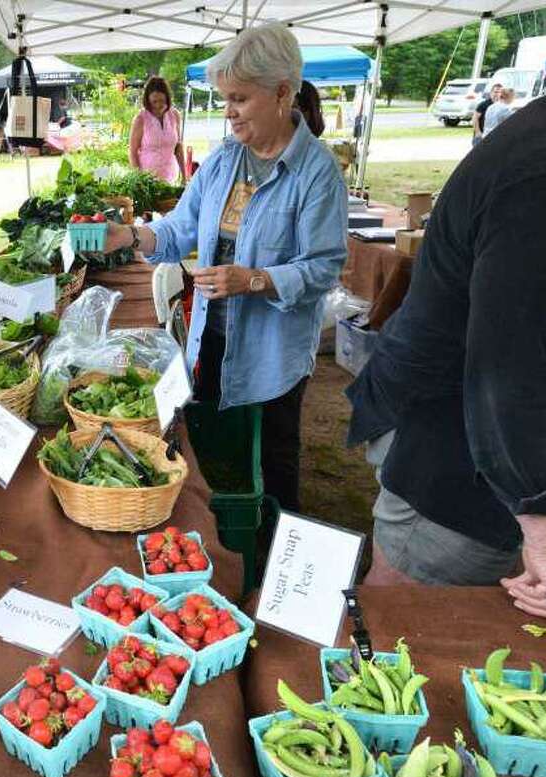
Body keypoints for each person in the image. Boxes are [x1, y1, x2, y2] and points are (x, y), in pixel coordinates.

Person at [346, 0, 546, 620]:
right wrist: (543, 531)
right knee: (404, 623)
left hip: (483, 462)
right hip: (459, 468)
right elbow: (513, 366)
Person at [104, 23, 348, 515]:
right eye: (224, 100)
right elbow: (178, 231)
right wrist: (129, 235)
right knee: (217, 451)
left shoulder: (316, 173)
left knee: (275, 459)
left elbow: (323, 267)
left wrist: (254, 279)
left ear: (282, 92)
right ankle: (229, 545)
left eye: (239, 99)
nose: (229, 112)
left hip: (272, 352)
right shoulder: (224, 162)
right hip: (211, 337)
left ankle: (273, 556)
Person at [129, 76, 186, 183]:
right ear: (148, 100)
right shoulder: (141, 119)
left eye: (162, 101)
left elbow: (178, 147)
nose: (158, 105)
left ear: (167, 98)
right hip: (147, 179)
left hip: (170, 176)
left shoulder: (174, 115)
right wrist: (139, 180)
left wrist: (184, 176)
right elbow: (132, 151)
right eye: (154, 102)